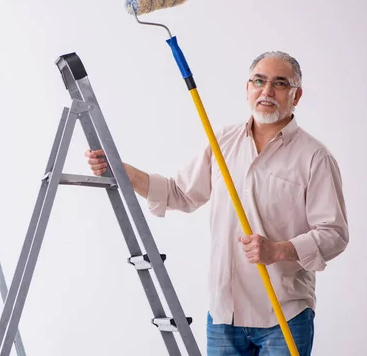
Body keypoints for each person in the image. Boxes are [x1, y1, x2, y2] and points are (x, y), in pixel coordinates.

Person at [84, 51, 349, 355]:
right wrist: (123, 171)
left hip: (285, 315)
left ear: (296, 95)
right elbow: (179, 193)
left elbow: (334, 234)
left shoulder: (315, 158)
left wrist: (278, 250)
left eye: (279, 84)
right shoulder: (221, 140)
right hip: (225, 313)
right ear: (247, 88)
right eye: (259, 81)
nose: (266, 91)